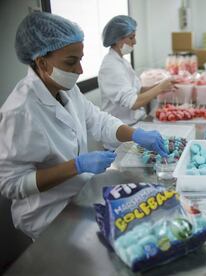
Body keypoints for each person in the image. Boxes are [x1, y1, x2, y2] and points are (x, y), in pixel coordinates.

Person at [0, 12, 168, 239]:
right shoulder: (19, 111)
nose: (80, 70)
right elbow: (11, 184)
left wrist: (136, 134)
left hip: (80, 196)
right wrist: (76, 166)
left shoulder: (66, 89)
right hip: (48, 214)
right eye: (71, 62)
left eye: (80, 59)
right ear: (41, 62)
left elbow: (99, 120)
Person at [98, 15, 173, 135]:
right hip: (122, 131)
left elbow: (138, 91)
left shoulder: (122, 61)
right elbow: (133, 102)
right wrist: (160, 88)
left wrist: (163, 85)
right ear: (118, 39)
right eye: (131, 37)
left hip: (135, 124)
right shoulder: (110, 66)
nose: (135, 42)